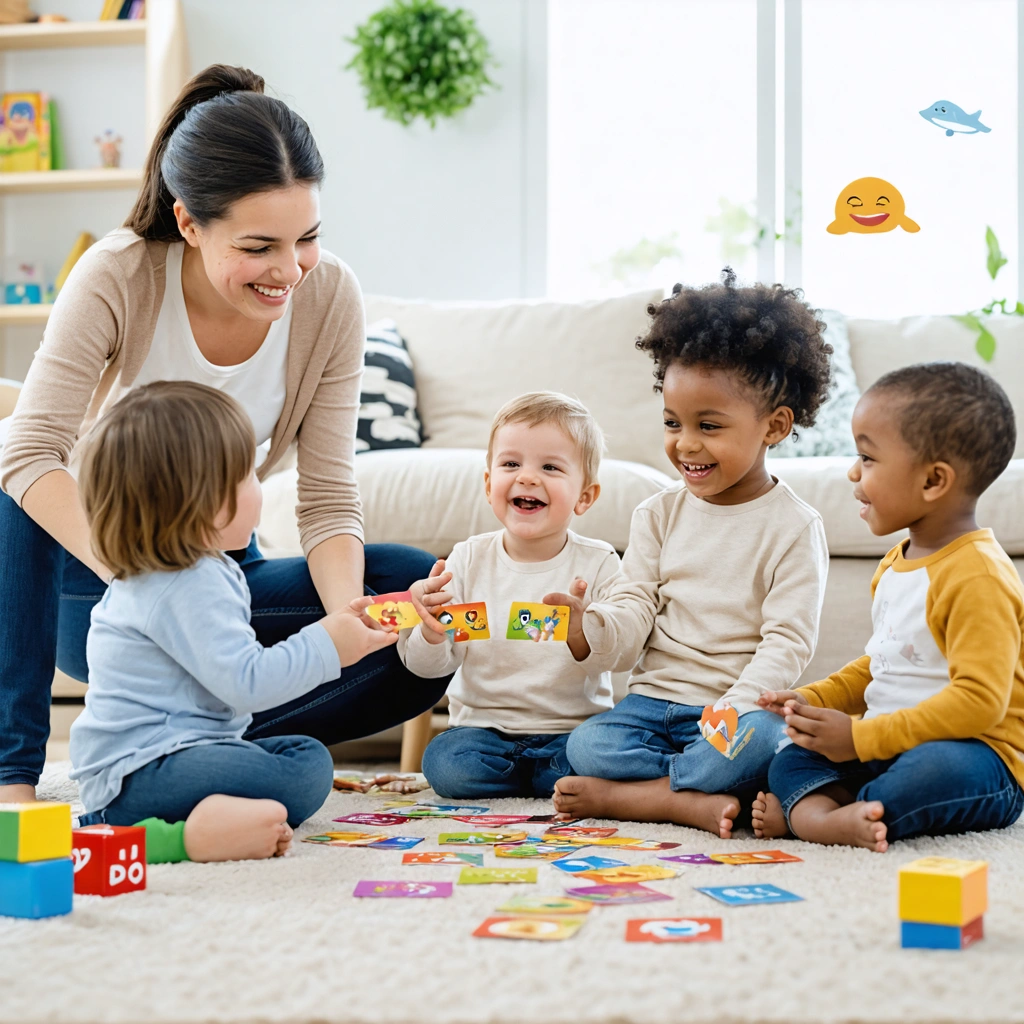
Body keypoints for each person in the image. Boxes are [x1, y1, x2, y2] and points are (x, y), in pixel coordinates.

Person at [0, 64, 446, 803]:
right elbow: (29, 449)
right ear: (188, 223)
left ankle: (200, 750)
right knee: (9, 474)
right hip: (106, 581)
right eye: (258, 246)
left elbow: (330, 496)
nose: (290, 271)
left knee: (406, 598)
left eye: (305, 238)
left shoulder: (329, 293)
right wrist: (138, 569)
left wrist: (348, 625)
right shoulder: (117, 275)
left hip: (220, 580)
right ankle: (12, 774)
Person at [548, 271, 832, 837]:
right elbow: (633, 607)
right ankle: (689, 794)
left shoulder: (796, 527)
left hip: (732, 707)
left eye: (709, 426)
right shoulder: (657, 514)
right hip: (653, 707)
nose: (686, 444)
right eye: (673, 423)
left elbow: (787, 642)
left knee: (762, 741)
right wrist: (591, 629)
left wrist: (736, 704)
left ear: (774, 426)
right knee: (588, 744)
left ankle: (649, 797)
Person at [70, 383, 397, 861]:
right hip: (141, 775)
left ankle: (212, 815)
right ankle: (169, 835)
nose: (258, 488)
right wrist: (328, 643)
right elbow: (247, 683)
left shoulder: (183, 571)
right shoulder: (185, 582)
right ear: (202, 500)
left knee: (300, 753)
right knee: (307, 770)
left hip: (151, 765)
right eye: (247, 475)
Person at [754, 363, 1024, 851]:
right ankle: (833, 816)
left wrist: (861, 739)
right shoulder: (896, 563)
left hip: (981, 756)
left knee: (931, 772)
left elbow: (980, 704)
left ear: (933, 481)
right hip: (888, 743)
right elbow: (885, 663)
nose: (853, 472)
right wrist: (816, 699)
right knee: (790, 757)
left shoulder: (978, 576)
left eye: (868, 458)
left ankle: (817, 812)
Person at [385, 392, 621, 798]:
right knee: (443, 763)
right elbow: (431, 668)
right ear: (490, 483)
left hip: (571, 733)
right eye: (511, 464)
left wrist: (582, 629)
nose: (527, 477)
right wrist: (428, 631)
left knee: (599, 754)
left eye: (550, 466)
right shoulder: (469, 560)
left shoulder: (599, 563)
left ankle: (546, 777)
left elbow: (619, 656)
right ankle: (538, 781)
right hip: (484, 733)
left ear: (585, 496)